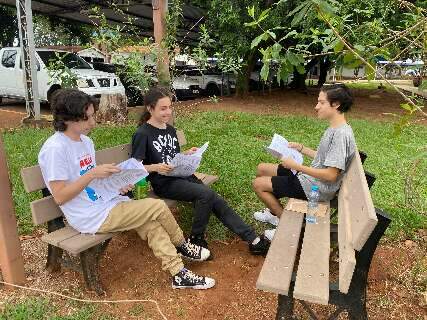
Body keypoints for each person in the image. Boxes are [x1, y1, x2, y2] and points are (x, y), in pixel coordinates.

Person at [38, 88, 215, 290]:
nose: (93, 123)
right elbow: (60, 197)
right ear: (69, 119)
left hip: (106, 202)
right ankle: (183, 245)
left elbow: (92, 181)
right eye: (88, 118)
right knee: (156, 207)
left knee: (151, 224)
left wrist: (117, 184)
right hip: (89, 215)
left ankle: (179, 273)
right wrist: (92, 174)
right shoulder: (55, 149)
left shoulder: (85, 141)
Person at [131, 86, 270, 256]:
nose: (168, 112)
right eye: (163, 108)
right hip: (163, 182)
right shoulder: (142, 133)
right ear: (150, 108)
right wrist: (155, 167)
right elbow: (134, 167)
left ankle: (253, 239)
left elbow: (172, 156)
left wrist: (187, 154)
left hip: (181, 175)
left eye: (170, 107)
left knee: (214, 198)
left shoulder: (170, 130)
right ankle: (195, 240)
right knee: (205, 195)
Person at [252, 84, 356, 240]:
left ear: (336, 104)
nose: (316, 107)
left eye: (321, 102)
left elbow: (331, 175)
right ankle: (274, 213)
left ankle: (286, 225)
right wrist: (301, 148)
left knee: (258, 184)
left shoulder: (340, 135)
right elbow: (326, 159)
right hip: (311, 179)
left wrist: (296, 166)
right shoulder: (336, 128)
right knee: (262, 169)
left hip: (316, 187)